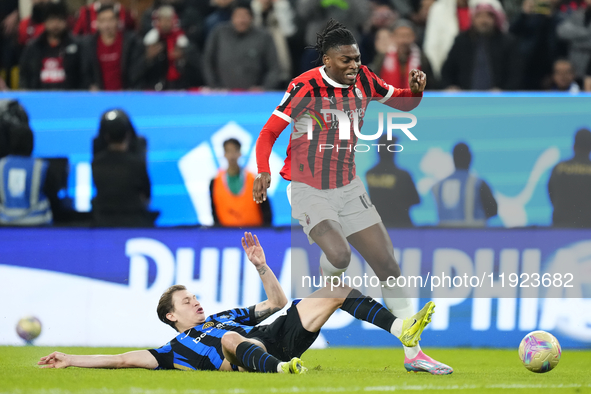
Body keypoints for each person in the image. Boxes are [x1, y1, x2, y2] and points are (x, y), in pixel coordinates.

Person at [253, 19, 452, 374]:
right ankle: (331, 281)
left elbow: (404, 104)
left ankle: (414, 354)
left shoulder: (365, 80)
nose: (354, 65)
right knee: (341, 255)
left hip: (348, 187)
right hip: (308, 188)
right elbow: (269, 132)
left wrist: (417, 90)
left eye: (357, 58)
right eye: (346, 60)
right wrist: (263, 170)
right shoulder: (304, 86)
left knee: (388, 265)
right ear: (327, 61)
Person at [38, 232, 439, 374]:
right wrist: (72, 359)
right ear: (170, 316)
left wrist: (262, 267)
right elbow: (124, 359)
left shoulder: (223, 316)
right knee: (230, 340)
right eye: (187, 301)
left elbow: (277, 302)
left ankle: (402, 332)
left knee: (335, 288)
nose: (196, 303)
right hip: (248, 356)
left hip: (272, 336)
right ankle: (282, 371)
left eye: (194, 297)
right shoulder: (173, 351)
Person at [91, 109, 154, 227]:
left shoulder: (96, 163)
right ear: (128, 135)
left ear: (106, 136)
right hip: (134, 222)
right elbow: (147, 196)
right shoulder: (137, 164)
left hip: (104, 222)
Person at [440, 3, 521, 90]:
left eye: (488, 16)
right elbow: (447, 71)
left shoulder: (507, 42)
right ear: (473, 19)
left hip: (499, 99)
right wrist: (451, 87)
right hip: (465, 97)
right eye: (479, 16)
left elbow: (516, 74)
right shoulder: (461, 41)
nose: (484, 21)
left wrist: (503, 91)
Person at [203, 1, 281, 90]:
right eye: (238, 16)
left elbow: (274, 68)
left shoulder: (264, 37)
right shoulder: (219, 33)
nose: (241, 20)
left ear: (251, 17)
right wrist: (215, 86)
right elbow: (207, 62)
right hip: (223, 94)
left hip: (254, 96)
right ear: (232, 17)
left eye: (245, 16)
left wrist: (264, 88)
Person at [136, 5, 203, 90]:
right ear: (157, 22)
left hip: (181, 87)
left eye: (168, 20)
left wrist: (184, 57)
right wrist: (147, 58)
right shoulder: (149, 43)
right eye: (162, 20)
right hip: (155, 89)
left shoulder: (183, 42)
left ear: (174, 21)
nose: (165, 23)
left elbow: (199, 68)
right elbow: (135, 73)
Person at [19, 2, 83, 90]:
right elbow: (24, 74)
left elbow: (83, 74)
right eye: (52, 20)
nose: (56, 24)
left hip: (69, 98)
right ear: (45, 22)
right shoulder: (33, 47)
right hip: (39, 98)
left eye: (60, 20)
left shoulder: (77, 46)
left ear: (65, 22)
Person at [432, 143, 497, 227]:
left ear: (453, 158)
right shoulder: (478, 184)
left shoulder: (438, 186)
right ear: (470, 158)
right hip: (474, 234)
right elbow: (493, 210)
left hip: (445, 236)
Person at [210, 138, 272, 227]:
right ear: (224, 154)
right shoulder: (215, 182)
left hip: (254, 234)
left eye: (234, 151)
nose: (232, 156)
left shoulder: (254, 180)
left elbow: (266, 210)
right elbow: (214, 212)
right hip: (226, 235)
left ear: (240, 153)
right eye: (228, 151)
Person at [0, 125, 53, 225]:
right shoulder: (42, 166)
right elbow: (53, 194)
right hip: (38, 223)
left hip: (5, 223)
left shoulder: (1, 165)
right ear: (31, 143)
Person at [81, 5, 142, 91]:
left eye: (111, 20)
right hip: (100, 96)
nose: (107, 25)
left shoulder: (130, 42)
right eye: (102, 20)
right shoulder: (89, 45)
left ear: (117, 21)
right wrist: (90, 85)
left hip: (125, 95)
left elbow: (136, 70)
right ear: (97, 23)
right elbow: (86, 71)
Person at [366, 135, 420, 227]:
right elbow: (416, 200)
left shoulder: (369, 174)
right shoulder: (403, 175)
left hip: (379, 226)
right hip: (402, 226)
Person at [370, 20, 437, 90]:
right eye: (400, 36)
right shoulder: (383, 58)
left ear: (414, 37)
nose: (404, 41)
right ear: (393, 37)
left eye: (407, 36)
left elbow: (432, 85)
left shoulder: (422, 59)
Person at [548, 129, 591, 227]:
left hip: (561, 227)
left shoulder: (558, 169)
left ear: (574, 146)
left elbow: (551, 195)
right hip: (588, 230)